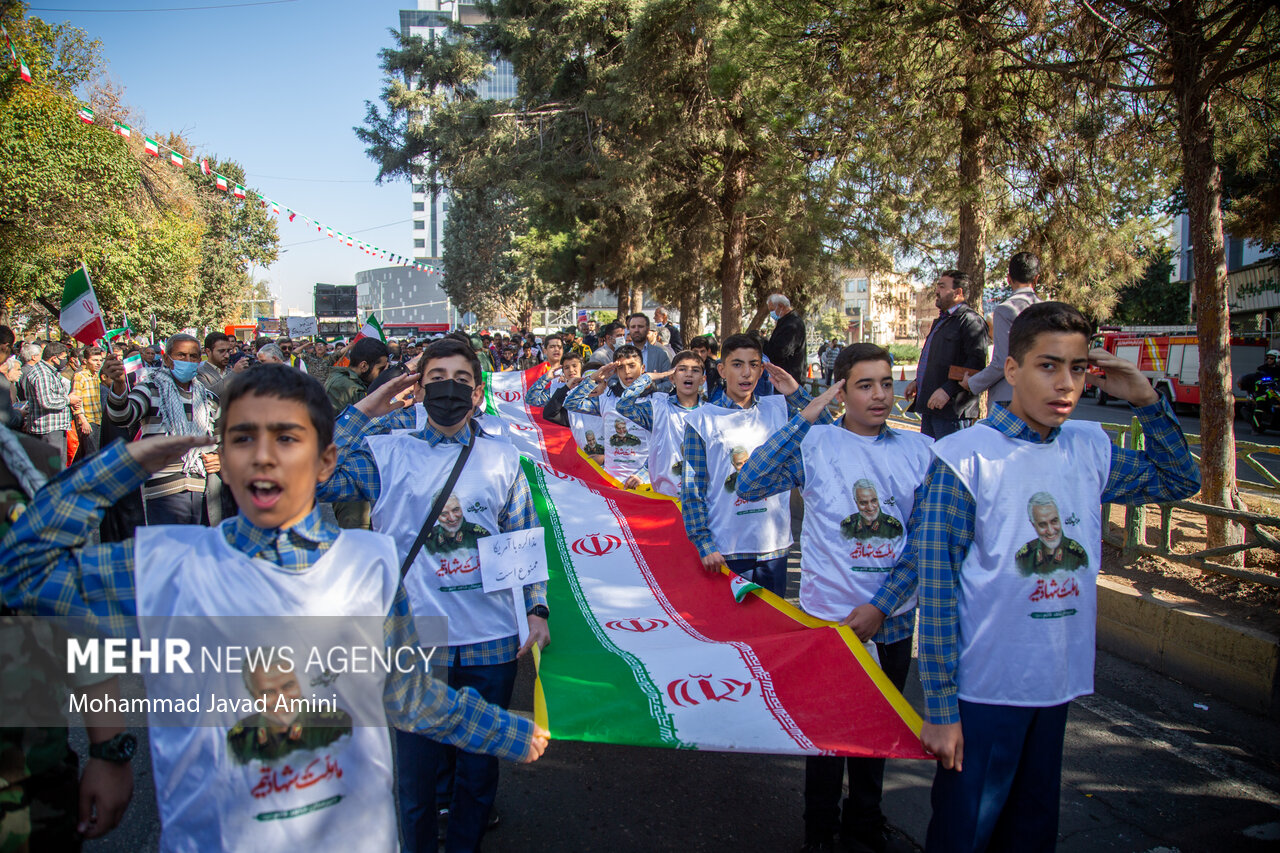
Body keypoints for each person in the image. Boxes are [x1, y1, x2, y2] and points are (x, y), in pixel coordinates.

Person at [0, 365, 548, 852]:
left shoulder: (370, 563)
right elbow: (20, 575)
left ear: (323, 459)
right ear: (223, 457)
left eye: (287, 438)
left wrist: (505, 732)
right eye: (243, 438)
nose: (264, 456)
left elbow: (407, 695)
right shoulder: (166, 566)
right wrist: (121, 464)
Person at [913, 302, 1200, 853]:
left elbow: (1178, 479)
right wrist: (943, 709)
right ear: (1012, 370)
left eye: (1077, 368)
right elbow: (939, 585)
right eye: (1048, 366)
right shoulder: (964, 458)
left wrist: (1145, 400)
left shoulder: (1088, 448)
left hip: (1055, 683)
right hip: (985, 692)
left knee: (1032, 830)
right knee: (964, 832)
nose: (1065, 384)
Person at [315, 339, 550, 853]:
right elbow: (311, 476)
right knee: (418, 780)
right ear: (417, 388)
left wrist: (535, 607)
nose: (449, 388)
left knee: (477, 770)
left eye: (461, 379)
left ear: (477, 391)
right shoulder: (387, 450)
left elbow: (521, 535)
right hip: (416, 637)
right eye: (437, 377)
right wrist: (364, 408)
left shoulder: (502, 456)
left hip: (491, 637)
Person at [737, 342, 933, 853]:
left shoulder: (917, 450)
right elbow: (752, 481)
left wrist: (882, 605)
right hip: (828, 625)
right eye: (865, 385)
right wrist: (806, 414)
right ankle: (818, 834)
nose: (880, 395)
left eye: (887, 384)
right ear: (842, 390)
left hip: (891, 624)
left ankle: (865, 824)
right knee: (826, 741)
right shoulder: (818, 444)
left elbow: (924, 540)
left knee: (877, 734)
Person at [681, 333, 830, 598]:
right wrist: (704, 544)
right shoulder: (702, 420)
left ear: (762, 369)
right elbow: (692, 489)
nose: (746, 373)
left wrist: (796, 393)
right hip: (726, 549)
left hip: (773, 547)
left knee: (772, 630)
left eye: (754, 364)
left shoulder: (778, 409)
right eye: (737, 364)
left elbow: (829, 433)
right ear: (722, 369)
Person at [103, 334, 219, 526]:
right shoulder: (150, 389)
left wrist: (219, 457)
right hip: (163, 491)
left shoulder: (209, 400)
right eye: (181, 355)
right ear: (167, 359)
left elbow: (221, 440)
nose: (187, 361)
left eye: (193, 356)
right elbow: (122, 417)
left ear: (200, 360)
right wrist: (119, 385)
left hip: (202, 490)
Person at [904, 270, 988, 439]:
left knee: (950, 462)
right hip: (931, 407)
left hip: (952, 411)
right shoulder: (943, 321)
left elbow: (974, 364)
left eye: (942, 287)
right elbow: (937, 360)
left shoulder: (970, 320)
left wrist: (947, 390)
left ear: (958, 293)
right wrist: (918, 382)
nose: (936, 291)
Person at [615, 350, 706, 498]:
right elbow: (623, 406)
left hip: (702, 497)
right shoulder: (658, 408)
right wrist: (647, 378)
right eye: (682, 369)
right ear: (671, 377)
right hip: (666, 497)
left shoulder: (711, 414)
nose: (689, 374)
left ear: (703, 379)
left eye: (695, 370)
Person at [324, 337, 391, 531]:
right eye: (380, 369)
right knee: (357, 534)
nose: (382, 374)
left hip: (358, 466)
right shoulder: (344, 385)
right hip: (347, 468)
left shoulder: (348, 380)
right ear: (364, 365)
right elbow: (372, 410)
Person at [564, 344, 652, 487]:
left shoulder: (655, 401)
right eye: (621, 367)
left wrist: (644, 474)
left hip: (643, 483)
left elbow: (663, 444)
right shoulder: (606, 400)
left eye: (632, 366)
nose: (627, 372)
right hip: (610, 481)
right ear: (615, 371)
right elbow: (571, 403)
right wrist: (593, 377)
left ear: (642, 369)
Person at [963, 252, 1042, 407]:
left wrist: (972, 383)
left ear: (1008, 278)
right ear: (1036, 278)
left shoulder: (1006, 310)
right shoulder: (1047, 309)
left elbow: (1002, 362)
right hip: (1039, 393)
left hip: (1010, 396)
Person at [20, 342, 80, 467]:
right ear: (54, 358)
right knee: (52, 467)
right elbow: (46, 401)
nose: (65, 361)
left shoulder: (49, 372)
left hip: (55, 426)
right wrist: (68, 400)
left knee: (58, 466)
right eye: (63, 358)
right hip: (48, 428)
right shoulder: (43, 375)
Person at [71, 346, 106, 464]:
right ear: (85, 361)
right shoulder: (80, 376)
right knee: (91, 456)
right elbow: (75, 400)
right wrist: (83, 420)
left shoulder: (96, 376)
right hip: (88, 421)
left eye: (100, 360)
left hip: (98, 419)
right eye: (95, 360)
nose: (98, 363)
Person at [763, 293, 807, 384]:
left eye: (772, 310)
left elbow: (780, 351)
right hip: (783, 378)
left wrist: (762, 343)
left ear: (781, 306)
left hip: (789, 379)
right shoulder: (785, 322)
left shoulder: (792, 324)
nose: (771, 313)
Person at [625, 312, 673, 378]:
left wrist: (654, 386)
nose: (636, 330)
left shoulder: (661, 353)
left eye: (640, 326)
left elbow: (669, 382)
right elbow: (613, 379)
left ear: (648, 329)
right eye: (633, 327)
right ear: (628, 329)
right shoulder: (621, 352)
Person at [197, 332, 236, 398]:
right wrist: (234, 373)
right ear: (208, 351)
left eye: (228, 351)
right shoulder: (199, 373)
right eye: (221, 351)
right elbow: (210, 395)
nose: (227, 355)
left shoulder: (231, 371)